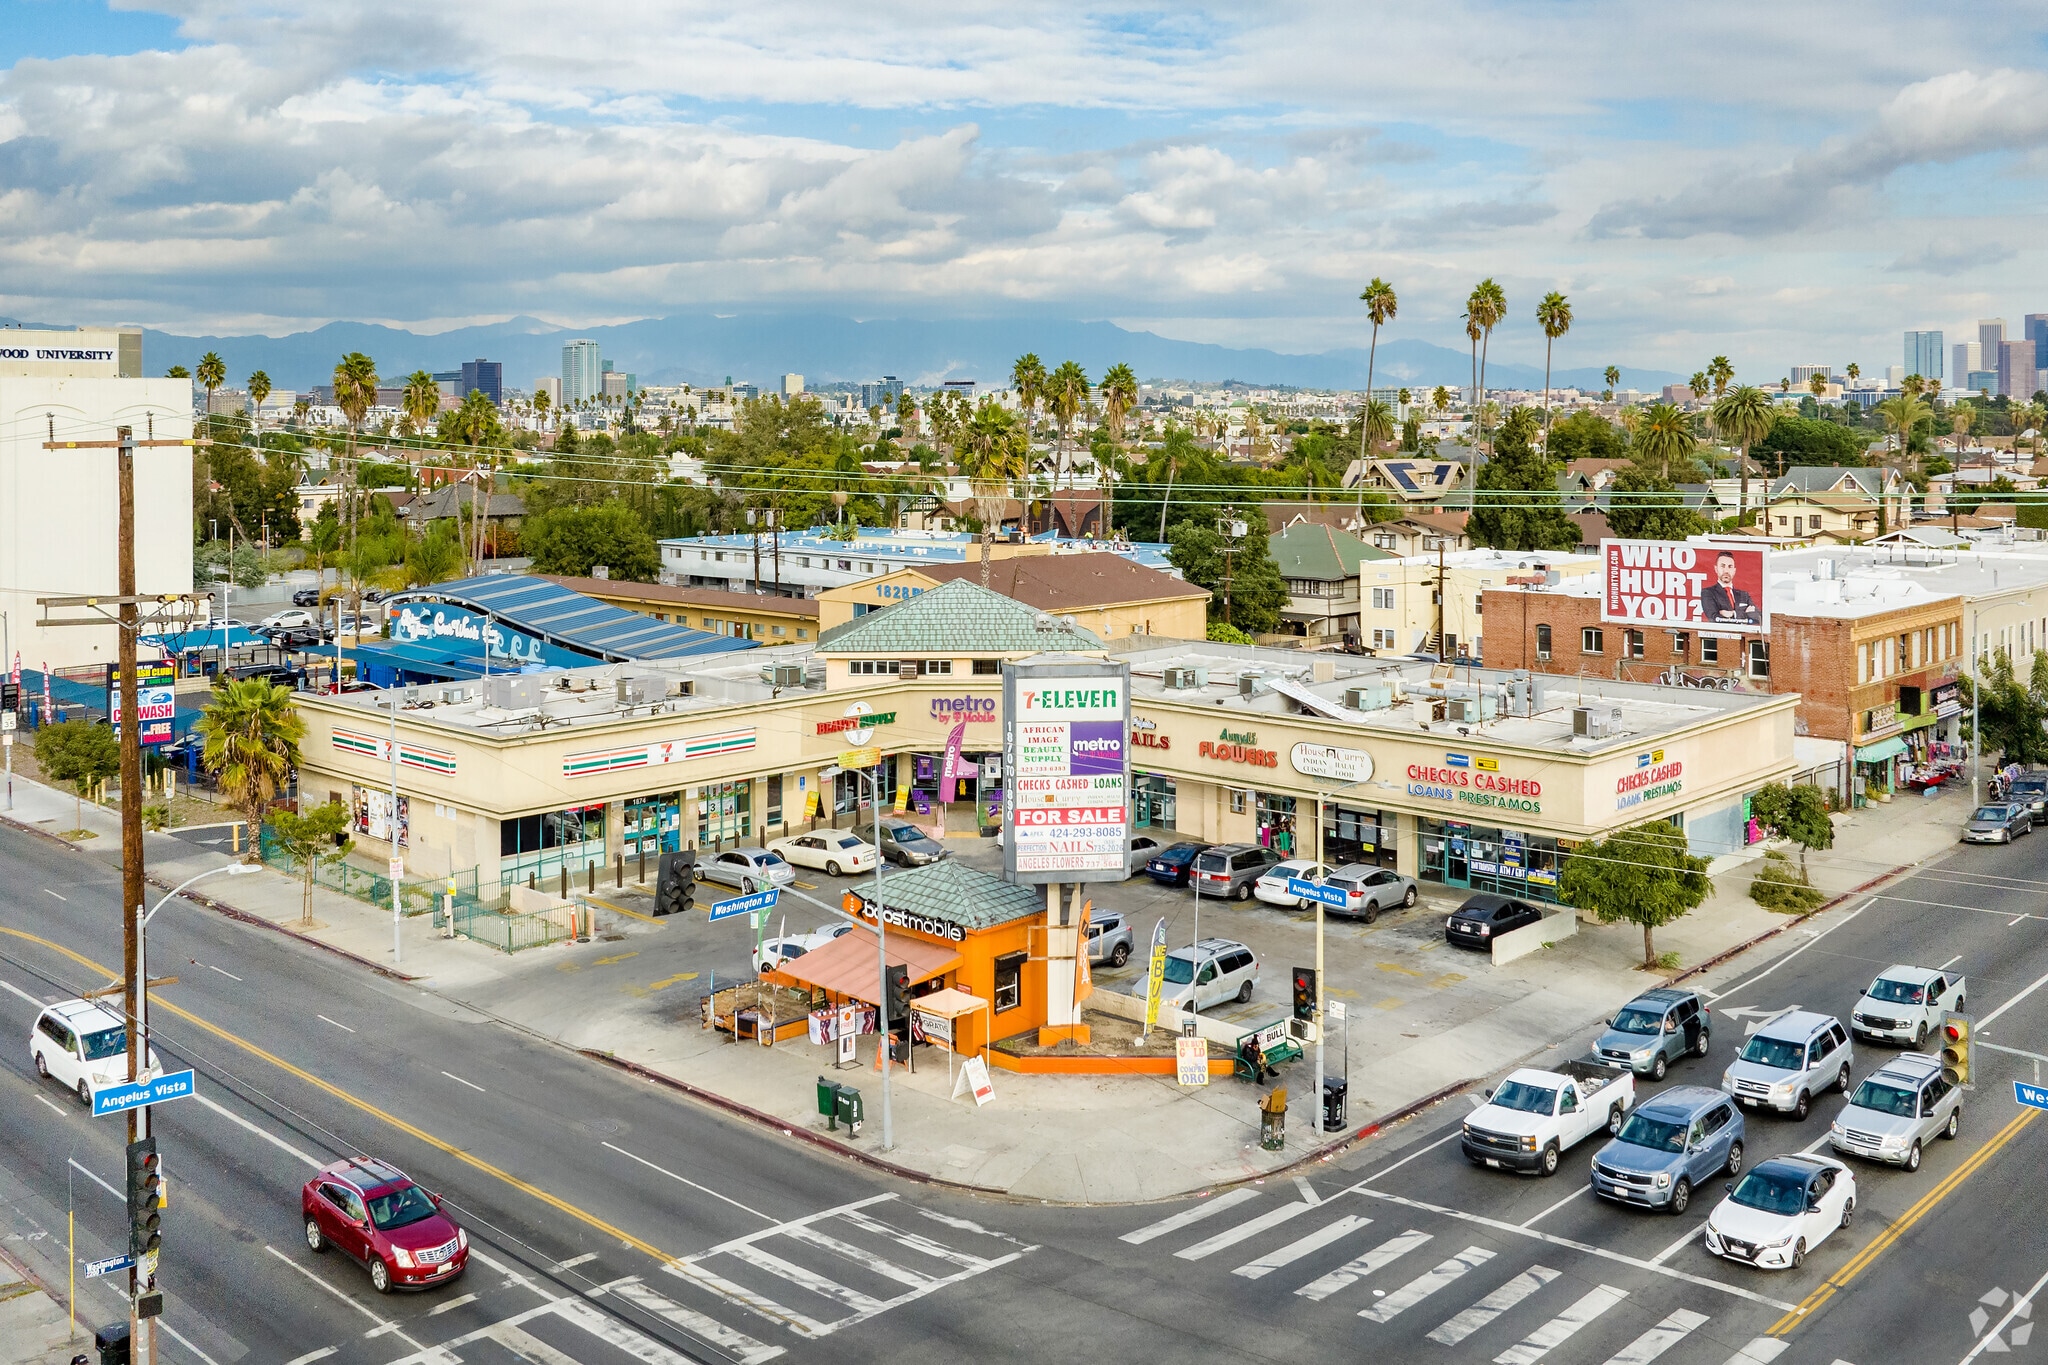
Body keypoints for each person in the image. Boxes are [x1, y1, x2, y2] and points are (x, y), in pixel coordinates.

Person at [1697, 549, 1760, 626]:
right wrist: (1745, 614)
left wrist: (1733, 614)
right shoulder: (1708, 592)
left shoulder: (1744, 595)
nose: (1726, 570)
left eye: (1730, 567)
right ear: (1716, 569)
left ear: (1734, 570)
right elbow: (1714, 618)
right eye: (1722, 566)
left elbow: (1758, 618)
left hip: (1742, 634)